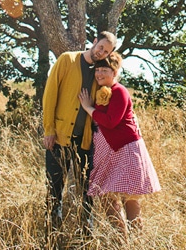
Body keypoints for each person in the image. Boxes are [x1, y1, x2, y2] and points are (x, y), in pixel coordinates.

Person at [77, 51, 161, 235]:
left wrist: (88, 107)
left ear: (114, 72)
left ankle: (136, 242)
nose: (99, 73)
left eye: (105, 70)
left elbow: (110, 121)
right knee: (106, 196)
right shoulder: (101, 92)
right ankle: (120, 241)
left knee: (130, 198)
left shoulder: (119, 91)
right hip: (109, 153)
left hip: (125, 150)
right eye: (98, 69)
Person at [42, 31, 117, 230]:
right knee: (54, 189)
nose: (101, 52)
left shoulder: (99, 73)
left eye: (106, 51)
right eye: (100, 47)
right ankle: (52, 235)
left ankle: (86, 236)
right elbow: (50, 95)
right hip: (58, 137)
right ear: (94, 42)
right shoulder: (67, 59)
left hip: (84, 142)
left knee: (87, 192)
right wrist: (49, 129)